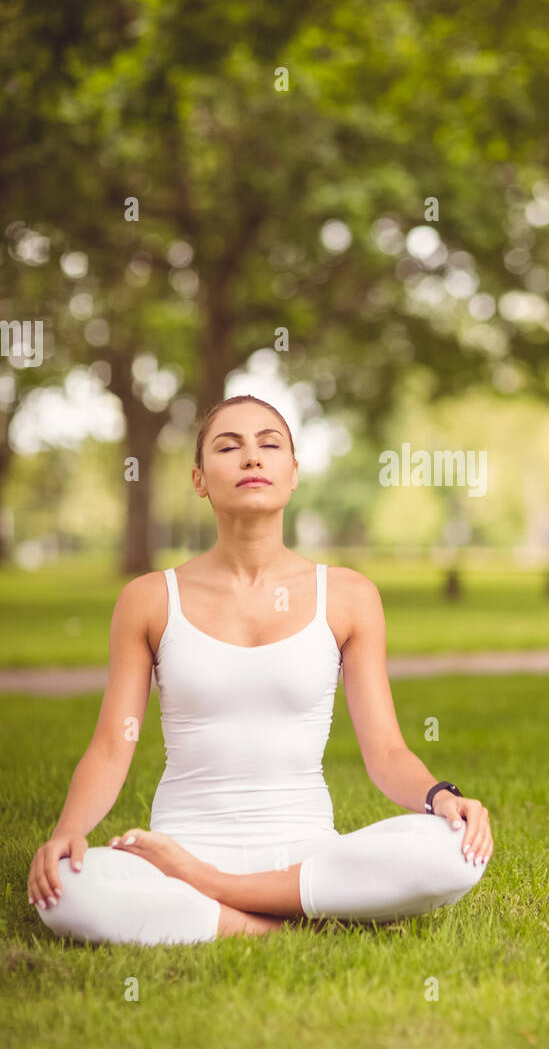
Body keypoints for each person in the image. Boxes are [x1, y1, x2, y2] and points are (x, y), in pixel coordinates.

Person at [27, 395, 493, 945]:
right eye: (229, 446)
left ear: (293, 474)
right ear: (200, 479)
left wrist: (442, 797)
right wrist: (67, 834)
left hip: (304, 853)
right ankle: (282, 921)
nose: (252, 458)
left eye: (269, 445)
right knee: (64, 891)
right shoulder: (149, 599)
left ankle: (215, 896)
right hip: (181, 846)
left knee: (452, 850)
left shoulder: (348, 595)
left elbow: (387, 752)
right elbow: (111, 746)